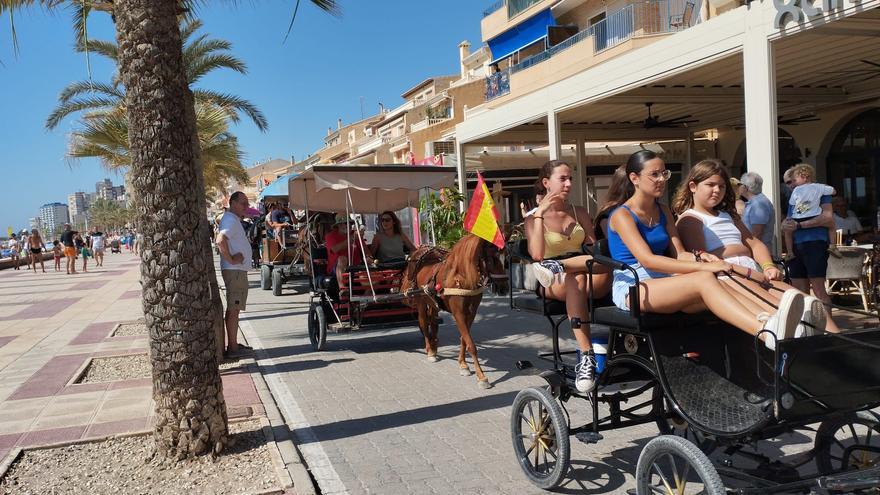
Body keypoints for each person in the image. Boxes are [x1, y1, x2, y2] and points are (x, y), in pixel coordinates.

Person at [607, 150, 806, 350]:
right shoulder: (621, 215)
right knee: (705, 278)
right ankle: (766, 331)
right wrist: (706, 268)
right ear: (635, 178)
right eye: (654, 175)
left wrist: (701, 257)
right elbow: (648, 260)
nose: (661, 180)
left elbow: (680, 254)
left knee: (724, 280)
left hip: (665, 280)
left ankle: (776, 320)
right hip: (634, 284)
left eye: (664, 174)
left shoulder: (663, 210)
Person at [674, 159, 836, 334]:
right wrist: (746, 262)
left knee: (810, 305)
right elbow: (706, 260)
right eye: (710, 185)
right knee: (782, 310)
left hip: (752, 271)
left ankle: (838, 345)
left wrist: (768, 266)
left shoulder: (729, 215)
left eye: (721, 186)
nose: (717, 190)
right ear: (693, 186)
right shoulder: (689, 219)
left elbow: (754, 243)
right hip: (727, 277)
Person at [524, 160, 612, 392]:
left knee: (603, 267)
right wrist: (541, 213)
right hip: (551, 279)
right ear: (546, 182)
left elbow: (595, 251)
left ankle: (561, 265)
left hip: (585, 269)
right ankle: (586, 355)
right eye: (562, 178)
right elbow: (537, 254)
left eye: (570, 178)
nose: (569, 183)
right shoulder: (533, 218)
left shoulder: (579, 212)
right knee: (577, 279)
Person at [216, 191, 254, 358]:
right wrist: (231, 259)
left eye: (247, 204)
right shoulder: (230, 220)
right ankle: (232, 349)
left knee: (235, 309)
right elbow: (220, 240)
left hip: (236, 270)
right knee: (234, 309)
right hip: (235, 271)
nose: (246, 207)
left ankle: (233, 344)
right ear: (233, 203)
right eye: (243, 203)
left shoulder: (231, 220)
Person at [783, 163, 839, 260]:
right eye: (789, 182)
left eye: (794, 180)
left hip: (815, 241)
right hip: (799, 243)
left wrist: (798, 225)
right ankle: (833, 246)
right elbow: (834, 191)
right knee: (832, 226)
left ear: (804, 177)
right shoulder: (819, 187)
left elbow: (827, 218)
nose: (793, 184)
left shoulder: (796, 192)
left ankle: (789, 252)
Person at [324, 215, 366, 288]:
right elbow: (335, 249)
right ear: (338, 225)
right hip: (337, 267)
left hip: (356, 267)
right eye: (345, 223)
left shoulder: (355, 234)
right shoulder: (330, 236)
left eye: (350, 223)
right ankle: (342, 288)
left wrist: (369, 257)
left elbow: (365, 250)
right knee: (342, 259)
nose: (349, 225)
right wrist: (352, 238)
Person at [739, 172, 776, 251]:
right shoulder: (756, 202)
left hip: (757, 252)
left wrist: (749, 250)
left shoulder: (758, 203)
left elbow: (757, 232)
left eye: (739, 185)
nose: (738, 187)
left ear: (745, 187)